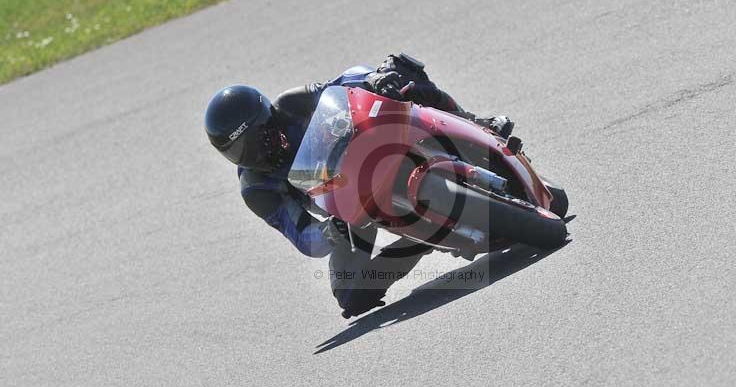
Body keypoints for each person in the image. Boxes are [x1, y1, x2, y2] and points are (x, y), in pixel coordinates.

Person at [204, 54, 514, 318]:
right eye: (242, 150)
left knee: (403, 76)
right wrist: (329, 231)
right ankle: (427, 240)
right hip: (347, 209)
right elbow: (301, 235)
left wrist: (373, 80)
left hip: (370, 147)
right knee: (351, 296)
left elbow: (342, 83)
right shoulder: (257, 189)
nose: (259, 150)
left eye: (262, 135)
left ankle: (477, 123)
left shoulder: (291, 104)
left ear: (269, 116)